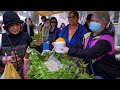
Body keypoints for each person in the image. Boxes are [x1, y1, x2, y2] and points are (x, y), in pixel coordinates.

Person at [56, 11, 120, 79]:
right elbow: (78, 45)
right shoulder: (88, 36)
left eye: (97, 21)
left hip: (105, 75)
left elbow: (90, 53)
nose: (93, 23)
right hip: (91, 74)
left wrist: (68, 50)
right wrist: (62, 47)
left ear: (105, 24)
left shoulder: (106, 39)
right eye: (92, 20)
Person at [0, 11, 43, 78]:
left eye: (17, 24)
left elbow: (39, 51)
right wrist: (2, 58)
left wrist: (38, 44)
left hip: (22, 73)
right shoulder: (1, 38)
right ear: (6, 27)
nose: (15, 28)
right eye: (12, 25)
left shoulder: (25, 36)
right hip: (6, 74)